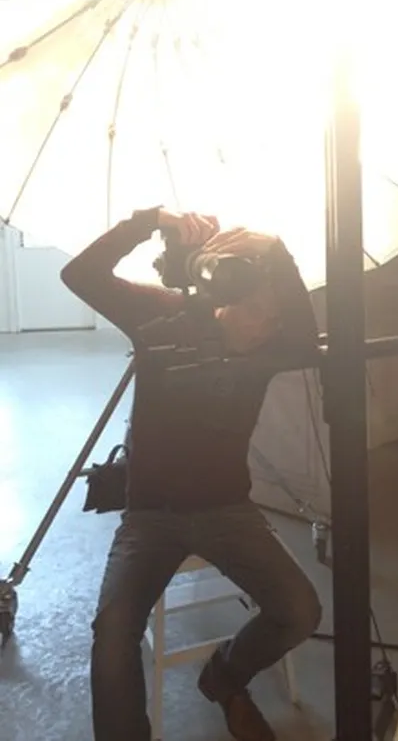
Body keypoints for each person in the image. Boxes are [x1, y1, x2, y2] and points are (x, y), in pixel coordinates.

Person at [61, 206, 323, 741]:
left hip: (228, 512)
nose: (266, 328)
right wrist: (148, 221)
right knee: (112, 638)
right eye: (258, 313)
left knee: (300, 611)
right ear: (226, 300)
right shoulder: (163, 316)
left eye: (274, 319)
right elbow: (79, 275)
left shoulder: (271, 343)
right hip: (150, 518)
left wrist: (276, 248)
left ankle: (224, 678)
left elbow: (304, 337)